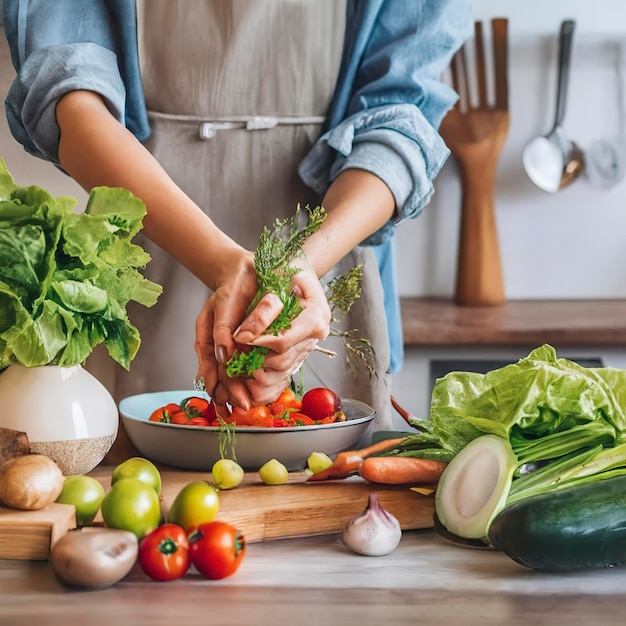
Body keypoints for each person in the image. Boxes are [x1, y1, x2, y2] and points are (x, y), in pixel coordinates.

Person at [2, 0, 472, 454]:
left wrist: (297, 271)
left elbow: (402, 118)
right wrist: (229, 265)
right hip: (147, 253)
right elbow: (68, 96)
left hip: (331, 254)